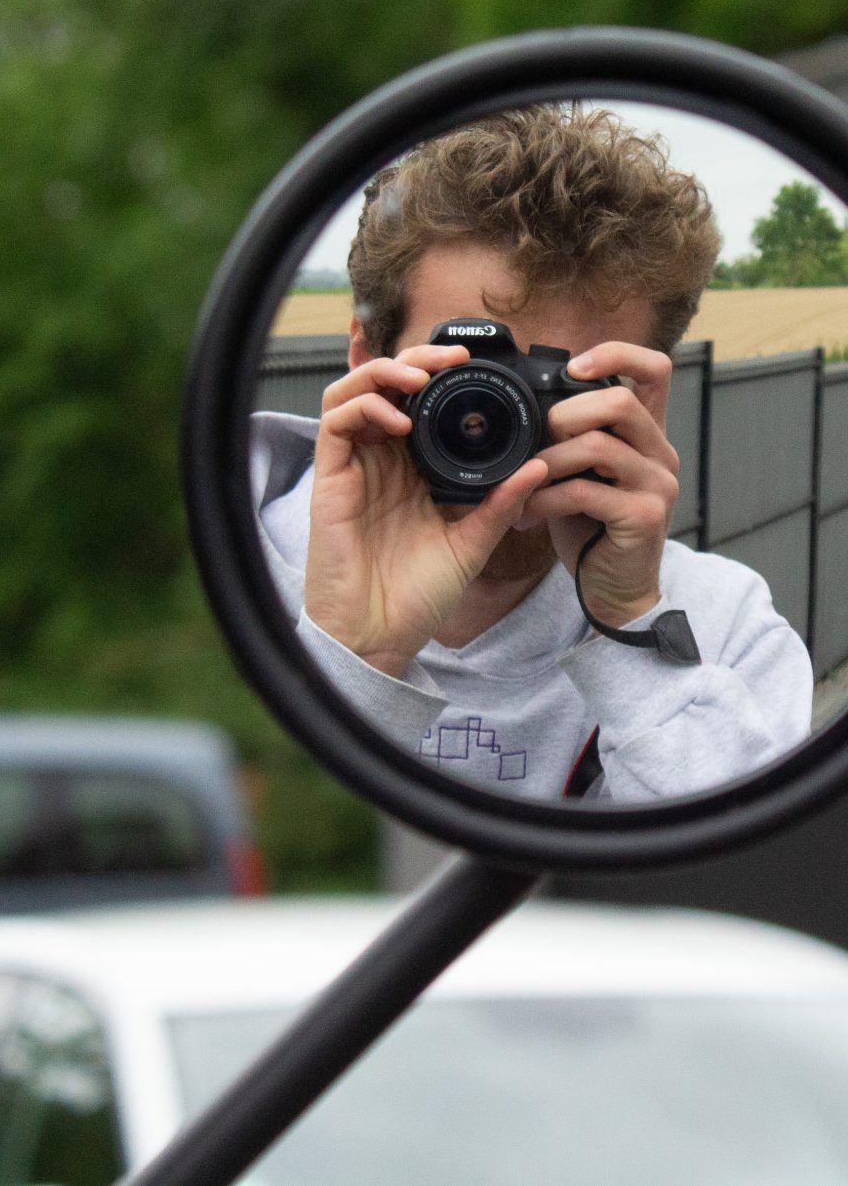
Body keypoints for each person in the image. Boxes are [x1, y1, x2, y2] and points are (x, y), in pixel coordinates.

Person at [247, 105, 814, 803]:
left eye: (562, 387)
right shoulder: (227, 572)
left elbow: (740, 863)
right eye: (466, 376)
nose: (501, 424)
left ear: (642, 396)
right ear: (367, 359)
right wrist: (354, 658)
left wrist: (632, 623)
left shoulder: (719, 628)